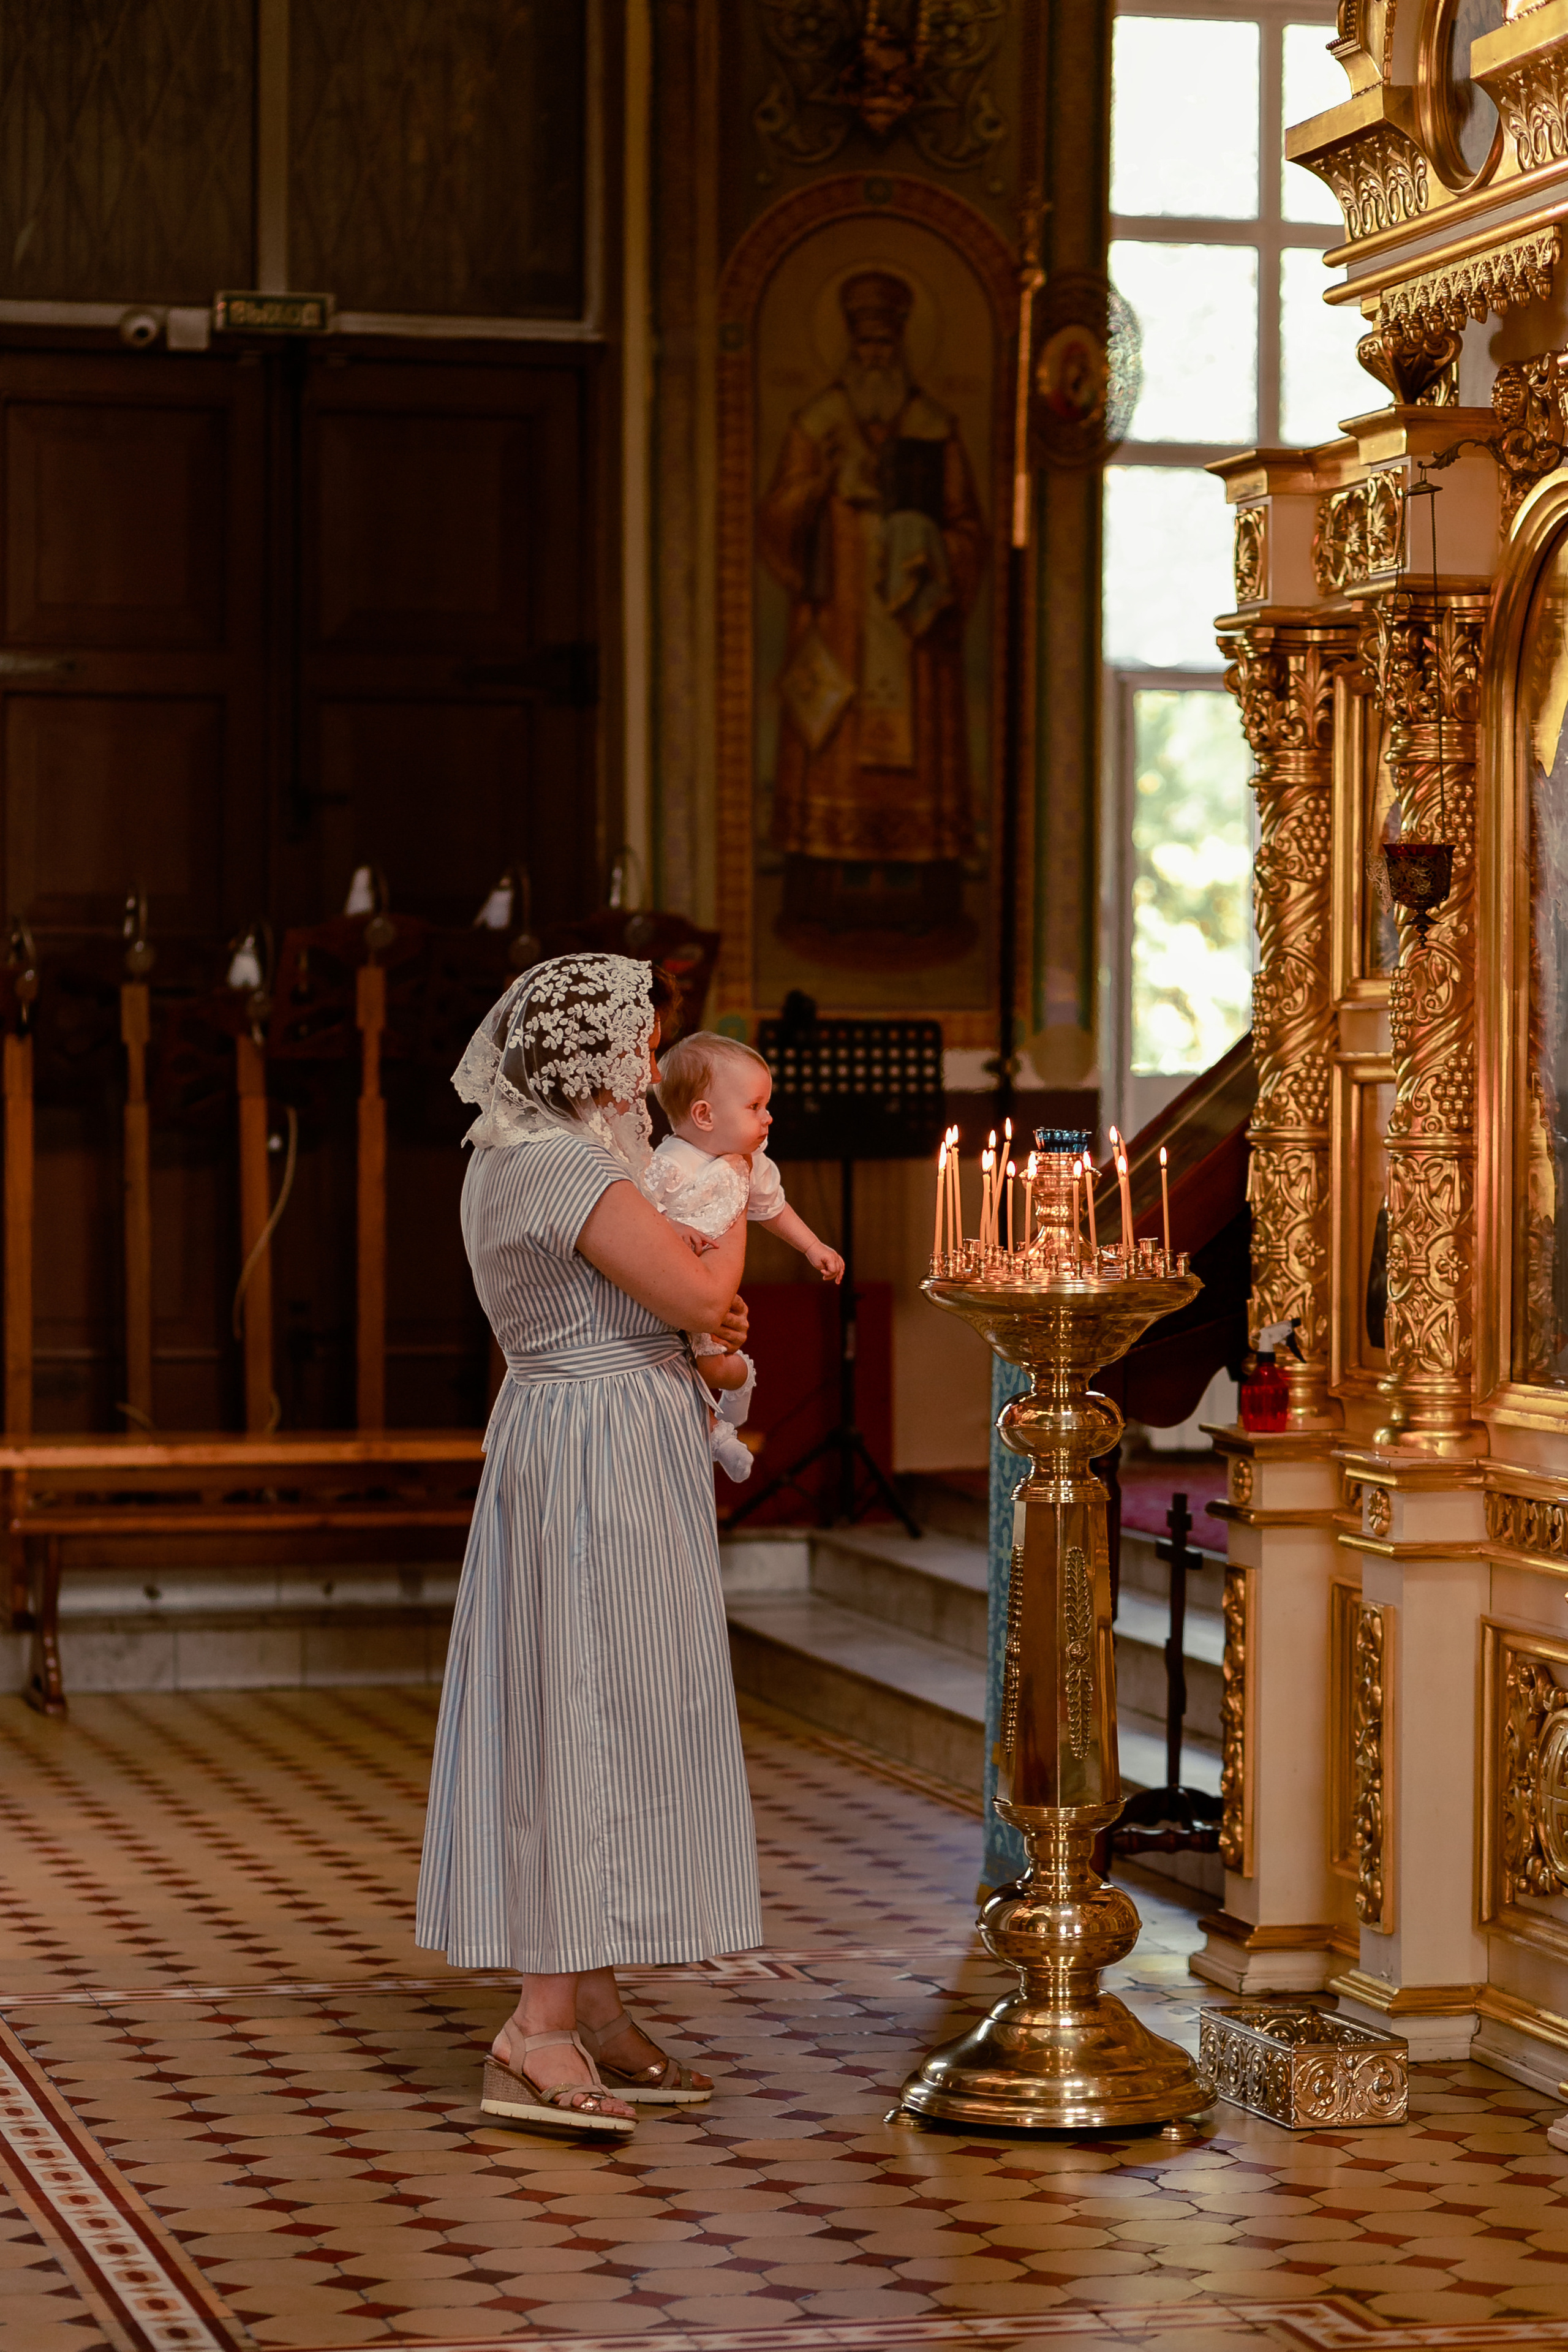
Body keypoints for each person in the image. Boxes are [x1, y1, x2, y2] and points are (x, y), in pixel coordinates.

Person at [415, 954, 763, 2139]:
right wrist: (735, 1183)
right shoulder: (562, 1165)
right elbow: (699, 1298)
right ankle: (538, 2029)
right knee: (584, 1711)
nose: (649, 1071)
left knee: (615, 1707)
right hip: (594, 1454)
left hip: (583, 1439)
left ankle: (597, 2005)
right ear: (593, 1051)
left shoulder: (509, 1158)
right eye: (639, 1042)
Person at [644, 1031, 845, 1482]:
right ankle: (718, 1437)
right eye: (755, 1107)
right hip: (668, 1294)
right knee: (691, 1370)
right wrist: (672, 1229)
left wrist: (813, 1246)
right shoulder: (666, 1164)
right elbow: (639, 1217)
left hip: (713, 1299)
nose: (769, 1117)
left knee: (718, 1365)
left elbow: (773, 1209)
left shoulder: (750, 1161)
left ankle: (741, 1386)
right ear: (704, 1115)